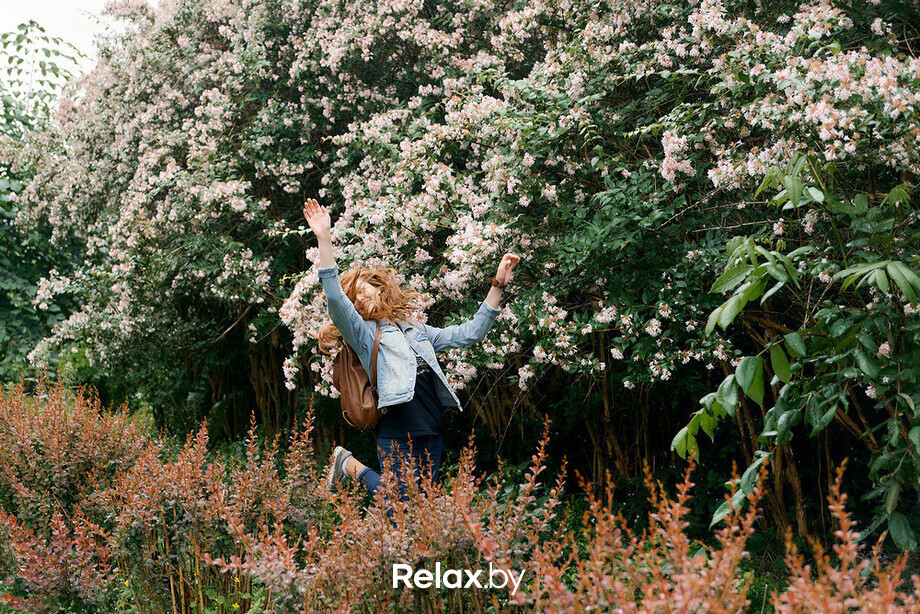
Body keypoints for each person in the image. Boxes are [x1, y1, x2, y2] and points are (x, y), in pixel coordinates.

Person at [302, 198, 519, 508]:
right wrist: (324, 238)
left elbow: (471, 333)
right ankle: (349, 465)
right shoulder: (365, 336)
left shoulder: (417, 331)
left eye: (361, 291)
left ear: (379, 288)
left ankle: (347, 465)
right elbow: (336, 300)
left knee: (419, 517)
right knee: (402, 509)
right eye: (355, 300)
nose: (358, 300)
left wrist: (498, 284)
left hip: (433, 432)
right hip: (397, 435)